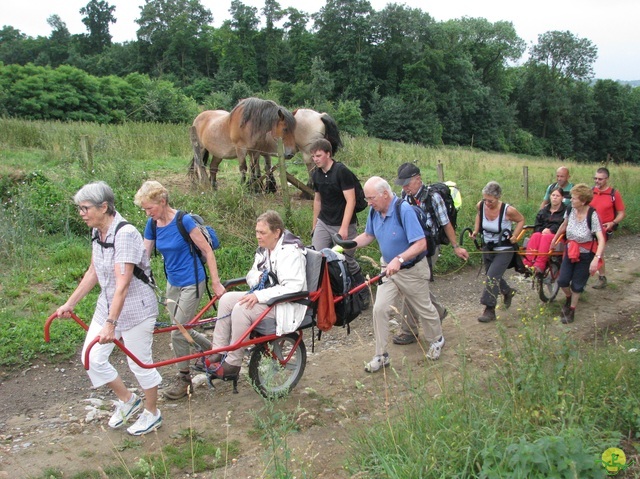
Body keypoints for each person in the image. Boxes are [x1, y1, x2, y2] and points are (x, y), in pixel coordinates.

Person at [56, 181, 162, 436]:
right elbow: (93, 271)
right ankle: (128, 400)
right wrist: (70, 303)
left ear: (104, 207)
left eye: (85, 208)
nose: (81, 213)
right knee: (91, 359)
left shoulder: (124, 234)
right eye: (79, 208)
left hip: (136, 308)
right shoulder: (97, 232)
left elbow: (123, 284)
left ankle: (152, 412)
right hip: (108, 306)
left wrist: (111, 324)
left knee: (140, 364)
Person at [340, 176, 445, 373]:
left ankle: (437, 340)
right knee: (379, 308)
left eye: (371, 198)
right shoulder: (374, 211)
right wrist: (350, 244)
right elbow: (369, 235)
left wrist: (400, 259)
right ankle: (381, 355)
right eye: (367, 198)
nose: (368, 202)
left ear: (385, 194)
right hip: (387, 269)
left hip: (411, 270)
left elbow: (420, 244)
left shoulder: (404, 211)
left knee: (423, 308)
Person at [134, 181, 226, 400]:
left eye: (150, 208)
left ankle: (185, 380)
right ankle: (217, 352)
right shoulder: (152, 224)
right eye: (145, 209)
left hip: (193, 281)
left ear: (163, 201)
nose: (148, 213)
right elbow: (144, 256)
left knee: (178, 332)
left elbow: (207, 251)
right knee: (181, 328)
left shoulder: (183, 221)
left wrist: (216, 283)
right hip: (172, 283)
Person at [208, 210, 307, 379]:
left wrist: (259, 296)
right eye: (256, 232)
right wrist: (261, 278)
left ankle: (233, 363)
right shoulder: (264, 250)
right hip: (270, 297)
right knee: (226, 299)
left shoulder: (291, 252)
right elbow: (251, 275)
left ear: (276, 233)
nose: (258, 236)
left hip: (287, 303)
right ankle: (218, 351)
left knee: (242, 308)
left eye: (262, 232)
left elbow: (293, 287)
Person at [391, 163, 469, 345]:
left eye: (407, 183)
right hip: (412, 246)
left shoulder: (433, 198)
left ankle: (408, 330)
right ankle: (438, 312)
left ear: (418, 179)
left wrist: (456, 246)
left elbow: (446, 223)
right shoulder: (404, 196)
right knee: (415, 286)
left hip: (429, 247)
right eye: (402, 184)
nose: (404, 188)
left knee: (411, 286)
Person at [310, 138, 370, 307]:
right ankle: (328, 297)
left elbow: (350, 200)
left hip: (343, 223)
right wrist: (315, 225)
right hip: (324, 221)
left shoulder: (341, 171)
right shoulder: (316, 174)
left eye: (318, 155)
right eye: (313, 156)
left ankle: (362, 292)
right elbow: (317, 201)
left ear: (328, 154)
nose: (315, 159)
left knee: (347, 260)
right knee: (318, 258)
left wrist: (344, 228)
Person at [470, 181, 525, 323]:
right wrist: (476, 230)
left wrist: (515, 236)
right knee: (492, 275)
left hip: (504, 249)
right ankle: (507, 291)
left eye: (491, 201)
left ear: (498, 197)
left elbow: (521, 220)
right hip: (488, 247)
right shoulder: (481, 205)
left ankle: (489, 309)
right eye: (485, 199)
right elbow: (478, 215)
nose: (487, 203)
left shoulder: (508, 210)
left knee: (492, 277)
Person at [550, 184, 605, 323]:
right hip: (570, 250)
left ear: (583, 200)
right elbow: (564, 225)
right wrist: (554, 240)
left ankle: (572, 310)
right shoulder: (570, 210)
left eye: (574, 198)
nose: (571, 200)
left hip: (586, 254)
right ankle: (568, 298)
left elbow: (601, 239)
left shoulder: (592, 215)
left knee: (577, 285)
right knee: (562, 281)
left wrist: (596, 259)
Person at [590, 167, 625, 289]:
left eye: (600, 179)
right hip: (589, 226)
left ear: (607, 179)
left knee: (598, 250)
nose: (597, 181)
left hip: (604, 228)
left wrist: (613, 223)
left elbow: (621, 212)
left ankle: (601, 277)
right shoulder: (590, 191)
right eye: (595, 178)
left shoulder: (613, 194)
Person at [523, 186, 567, 275]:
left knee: (546, 237)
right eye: (553, 195)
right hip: (542, 234)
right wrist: (543, 230)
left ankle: (539, 265)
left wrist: (551, 230)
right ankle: (528, 262)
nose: (554, 197)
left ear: (562, 198)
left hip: (557, 237)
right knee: (536, 235)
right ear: (550, 196)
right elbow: (537, 224)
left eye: (557, 196)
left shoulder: (565, 211)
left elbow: (563, 225)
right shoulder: (544, 210)